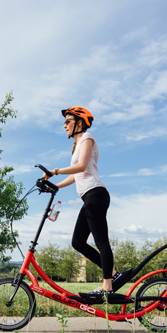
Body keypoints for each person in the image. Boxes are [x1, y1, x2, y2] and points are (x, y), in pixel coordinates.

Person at [43, 106, 121, 295]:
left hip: (96, 194)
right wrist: (55, 185)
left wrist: (54, 171)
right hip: (89, 197)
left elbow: (81, 166)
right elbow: (76, 175)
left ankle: (108, 285)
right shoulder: (76, 146)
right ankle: (112, 273)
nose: (64, 126)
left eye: (68, 121)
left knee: (101, 242)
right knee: (78, 242)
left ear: (80, 123)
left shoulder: (87, 138)